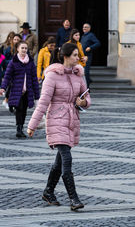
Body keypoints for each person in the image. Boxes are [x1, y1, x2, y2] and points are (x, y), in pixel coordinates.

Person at [27, 42, 90, 211]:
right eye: (75, 55)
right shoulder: (52, 75)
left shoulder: (78, 75)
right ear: (65, 56)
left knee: (60, 160)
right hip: (56, 119)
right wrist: (32, 124)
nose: (78, 58)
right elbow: (43, 102)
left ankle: (48, 191)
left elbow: (87, 97)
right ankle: (74, 199)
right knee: (66, 158)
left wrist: (83, 102)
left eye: (78, 55)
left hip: (72, 120)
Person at [0, 40, 40, 138]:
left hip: (28, 91)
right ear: (18, 49)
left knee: (24, 111)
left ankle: (21, 127)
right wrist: (3, 87)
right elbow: (7, 76)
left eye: (25, 48)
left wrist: (37, 95)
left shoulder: (30, 62)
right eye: (22, 48)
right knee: (19, 109)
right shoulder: (13, 62)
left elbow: (34, 78)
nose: (24, 50)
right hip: (16, 90)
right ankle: (19, 129)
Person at [1, 34, 22, 110]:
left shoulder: (23, 48)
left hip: (20, 71)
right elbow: (3, 59)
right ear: (12, 40)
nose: (16, 41)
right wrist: (12, 62)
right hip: (11, 71)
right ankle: (6, 100)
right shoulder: (9, 49)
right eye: (15, 39)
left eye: (18, 40)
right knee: (11, 85)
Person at [81, 23, 101, 87]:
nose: (84, 28)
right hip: (82, 57)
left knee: (86, 71)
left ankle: (87, 87)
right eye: (84, 27)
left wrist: (90, 47)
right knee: (83, 72)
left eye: (86, 27)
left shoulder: (91, 35)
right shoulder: (83, 36)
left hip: (87, 56)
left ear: (89, 28)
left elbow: (98, 43)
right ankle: (88, 81)